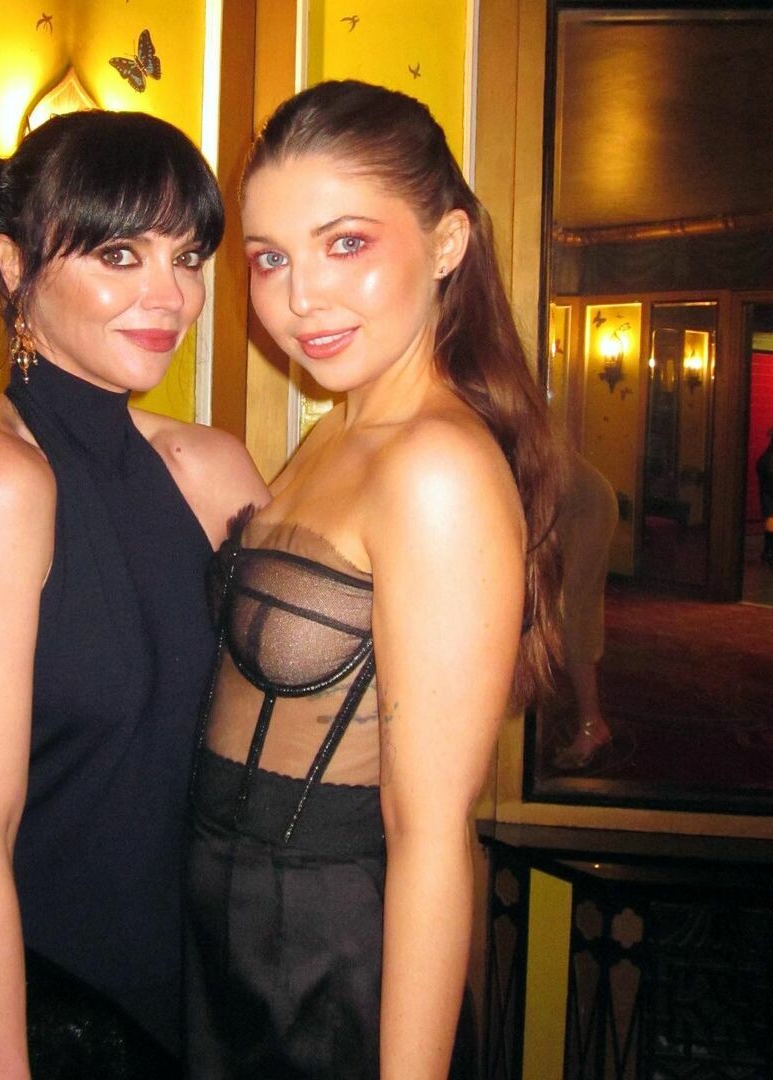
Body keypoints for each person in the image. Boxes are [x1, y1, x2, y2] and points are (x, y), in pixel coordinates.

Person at [184, 80, 561, 1079]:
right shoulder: (333, 433)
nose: (299, 298)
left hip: (329, 962)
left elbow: (431, 837)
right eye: (271, 258)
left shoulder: (437, 468)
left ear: (447, 243)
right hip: (231, 943)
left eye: (344, 243)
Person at [0, 109, 268, 1079]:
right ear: (14, 264)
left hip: (229, 997)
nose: (171, 296)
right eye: (120, 254)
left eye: (187, 256)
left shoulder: (212, 468)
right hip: (74, 1015)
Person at [552, 448, 618, 771]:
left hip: (588, 507)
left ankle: (593, 726)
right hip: (565, 507)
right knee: (562, 612)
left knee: (573, 614)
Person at [758, 427, 773, 566]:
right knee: (771, 523)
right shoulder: (767, 459)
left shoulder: (765, 458)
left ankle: (768, 550)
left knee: (771, 523)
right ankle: (768, 551)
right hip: (769, 495)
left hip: (767, 494)